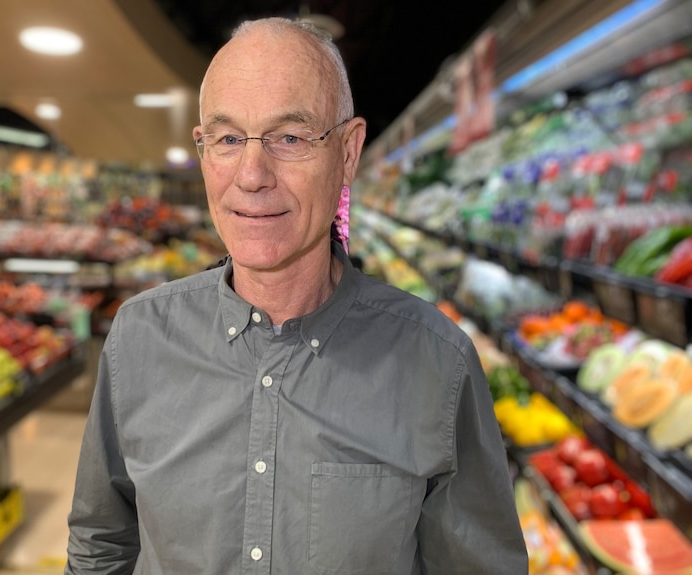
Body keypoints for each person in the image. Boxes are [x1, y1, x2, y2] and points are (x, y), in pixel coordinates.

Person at [65, 16, 527, 574]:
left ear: (349, 153)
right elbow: (101, 546)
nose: (252, 174)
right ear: (203, 150)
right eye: (229, 138)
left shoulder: (438, 364)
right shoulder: (139, 337)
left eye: (290, 137)